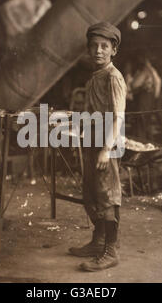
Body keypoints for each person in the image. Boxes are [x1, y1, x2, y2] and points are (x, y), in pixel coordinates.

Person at [68, 22, 126, 272]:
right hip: (91, 141)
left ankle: (110, 251)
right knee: (90, 194)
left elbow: (118, 116)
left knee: (107, 197)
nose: (98, 50)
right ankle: (98, 241)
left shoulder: (113, 77)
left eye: (104, 46)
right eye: (94, 46)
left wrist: (105, 149)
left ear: (114, 50)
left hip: (107, 144)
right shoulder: (95, 76)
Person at [129, 53, 161, 141]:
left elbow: (134, 85)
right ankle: (144, 140)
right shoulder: (149, 70)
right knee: (143, 121)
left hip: (144, 98)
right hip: (147, 97)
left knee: (141, 120)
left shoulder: (146, 70)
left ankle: (142, 141)